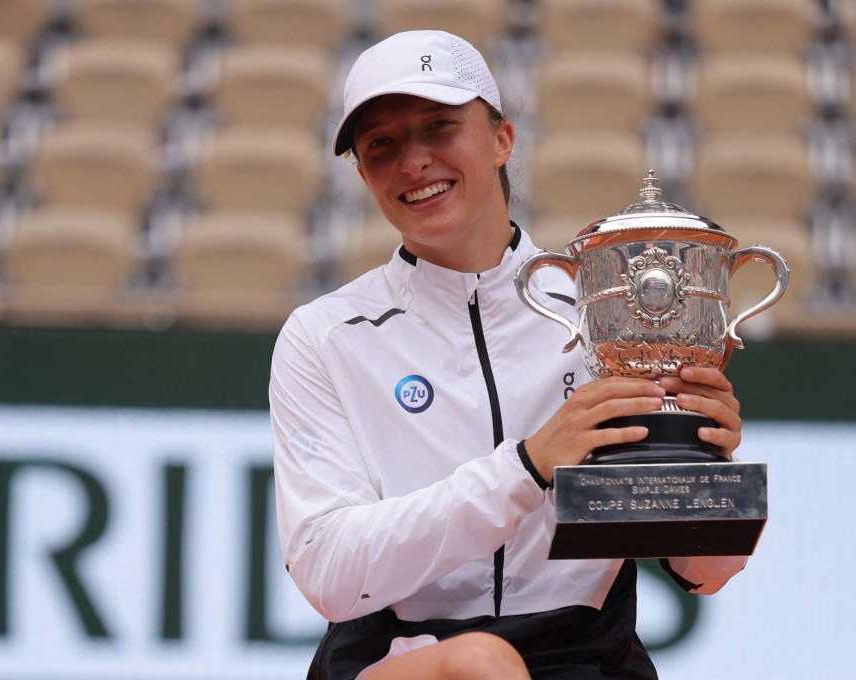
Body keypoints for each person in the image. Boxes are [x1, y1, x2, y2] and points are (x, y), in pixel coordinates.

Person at [269, 30, 747, 680]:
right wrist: (526, 468)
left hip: (589, 657)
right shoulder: (324, 334)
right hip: (395, 658)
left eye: (439, 127)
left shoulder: (607, 310)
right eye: (381, 144)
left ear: (502, 139)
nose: (413, 161)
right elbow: (328, 573)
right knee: (481, 664)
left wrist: (706, 473)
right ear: (360, 171)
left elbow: (708, 573)